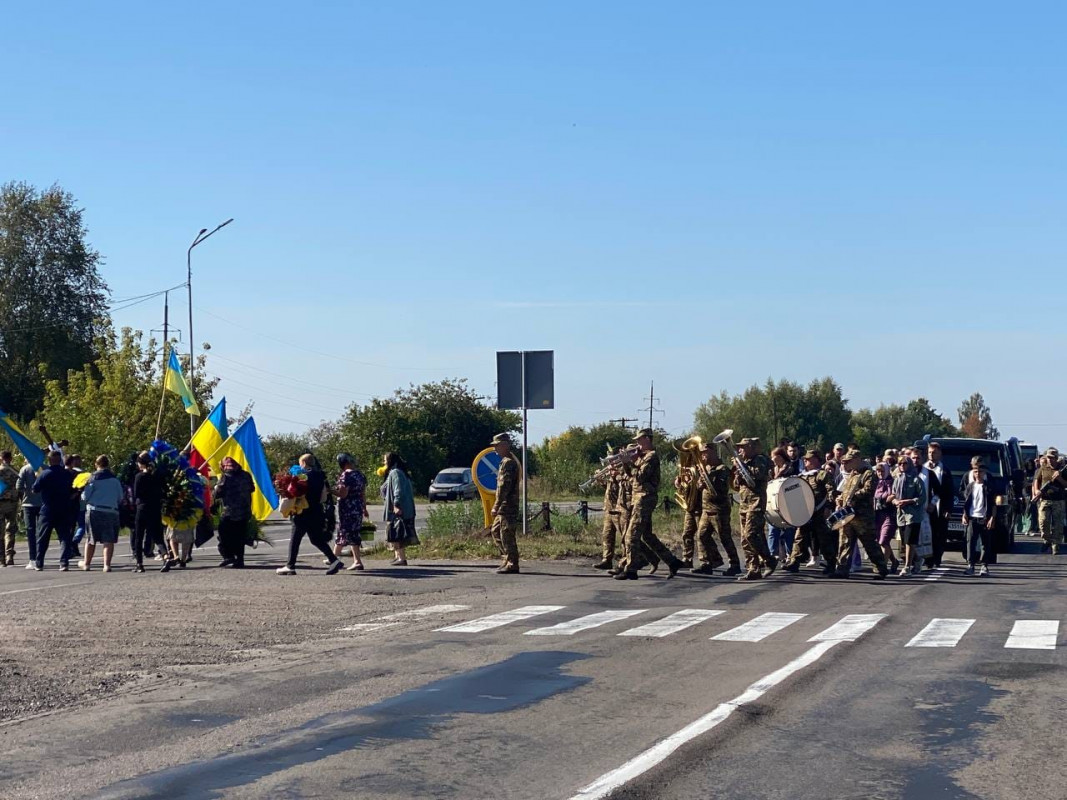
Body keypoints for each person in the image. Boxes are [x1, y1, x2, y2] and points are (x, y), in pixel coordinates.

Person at [615, 429, 683, 581]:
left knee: (631, 536)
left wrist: (629, 462)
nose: (637, 443)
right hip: (638, 498)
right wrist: (627, 463)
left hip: (645, 498)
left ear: (647, 439)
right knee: (647, 536)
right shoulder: (643, 456)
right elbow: (631, 476)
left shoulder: (651, 457)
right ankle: (672, 562)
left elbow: (640, 476)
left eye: (639, 439)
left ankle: (631, 570)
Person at [278, 454, 344, 575]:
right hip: (317, 510)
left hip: (302, 511)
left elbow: (294, 493)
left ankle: (290, 566)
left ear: (303, 462)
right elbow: (324, 496)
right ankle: (334, 560)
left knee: (295, 539)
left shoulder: (301, 477)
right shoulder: (320, 476)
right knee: (316, 539)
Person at [834, 448, 889, 580]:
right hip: (848, 515)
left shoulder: (868, 474)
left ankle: (880, 568)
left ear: (857, 460)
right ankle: (842, 569)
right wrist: (840, 499)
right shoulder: (853, 474)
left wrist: (853, 497)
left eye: (849, 461)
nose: (846, 464)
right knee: (845, 543)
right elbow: (846, 491)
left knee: (869, 543)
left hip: (863, 516)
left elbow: (869, 490)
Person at [784, 449, 838, 575]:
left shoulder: (822, 475)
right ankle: (794, 562)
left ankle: (831, 563)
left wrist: (828, 507)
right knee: (800, 537)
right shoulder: (803, 476)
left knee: (824, 539)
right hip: (805, 513)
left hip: (819, 513)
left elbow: (831, 491)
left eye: (808, 459)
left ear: (815, 460)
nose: (805, 461)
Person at [734, 437, 776, 581]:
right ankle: (753, 569)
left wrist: (742, 467)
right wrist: (737, 474)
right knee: (745, 539)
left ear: (751, 447)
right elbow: (736, 485)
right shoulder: (744, 463)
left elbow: (757, 476)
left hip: (756, 503)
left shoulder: (760, 460)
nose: (740, 450)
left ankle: (769, 560)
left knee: (751, 534)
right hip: (744, 503)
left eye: (743, 448)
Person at [691, 442, 731, 576]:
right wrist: (699, 483)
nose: (703, 456)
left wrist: (707, 479)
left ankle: (735, 563)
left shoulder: (722, 468)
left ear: (713, 452)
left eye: (705, 452)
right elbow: (699, 487)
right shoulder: (705, 468)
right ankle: (706, 563)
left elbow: (721, 489)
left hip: (719, 508)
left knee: (724, 537)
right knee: (701, 536)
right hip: (706, 509)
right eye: (701, 453)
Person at [32, 450, 76, 571]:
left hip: (48, 509)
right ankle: (64, 562)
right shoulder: (67, 474)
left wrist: (37, 477)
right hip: (64, 508)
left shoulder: (45, 474)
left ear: (50, 460)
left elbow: (35, 489)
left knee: (43, 537)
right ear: (59, 460)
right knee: (64, 537)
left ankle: (39, 562)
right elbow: (74, 490)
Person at [79, 455, 122, 572]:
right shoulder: (115, 479)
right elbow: (120, 497)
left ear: (96, 464)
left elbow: (85, 497)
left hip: (94, 510)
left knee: (91, 539)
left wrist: (81, 492)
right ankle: (107, 565)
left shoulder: (92, 478)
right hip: (111, 511)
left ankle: (87, 564)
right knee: (109, 540)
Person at [889, 455, 927, 576]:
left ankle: (907, 567)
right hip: (901, 514)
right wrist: (896, 501)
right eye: (900, 464)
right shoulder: (897, 479)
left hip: (913, 514)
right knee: (905, 541)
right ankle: (917, 559)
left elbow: (922, 498)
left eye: (904, 464)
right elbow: (893, 495)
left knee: (910, 541)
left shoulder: (916, 479)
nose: (902, 466)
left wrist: (909, 501)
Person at [214, 457, 254, 569]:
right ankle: (240, 560)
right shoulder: (246, 475)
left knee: (223, 536)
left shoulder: (225, 477)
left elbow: (217, 494)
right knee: (240, 538)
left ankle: (228, 556)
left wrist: (216, 487)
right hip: (245, 511)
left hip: (229, 513)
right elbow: (252, 488)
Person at [488, 435, 520, 573]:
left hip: (508, 505)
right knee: (496, 531)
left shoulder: (509, 463)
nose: (495, 448)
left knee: (506, 534)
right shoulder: (505, 462)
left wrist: (496, 504)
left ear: (505, 445)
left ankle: (512, 563)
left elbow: (504, 487)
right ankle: (506, 558)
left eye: (497, 445)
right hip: (504, 505)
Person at [961, 456, 996, 576]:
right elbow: (966, 501)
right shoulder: (970, 486)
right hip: (972, 517)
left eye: (980, 471)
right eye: (975, 471)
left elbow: (993, 503)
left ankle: (984, 565)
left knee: (985, 543)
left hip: (984, 517)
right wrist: (965, 514)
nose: (978, 473)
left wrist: (992, 518)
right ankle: (970, 565)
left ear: (984, 472)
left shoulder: (988, 486)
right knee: (970, 541)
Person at [334, 453, 369, 571]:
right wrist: (364, 508)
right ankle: (333, 557)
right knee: (345, 531)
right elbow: (363, 493)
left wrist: (330, 491)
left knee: (349, 532)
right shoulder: (359, 475)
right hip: (357, 507)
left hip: (347, 508)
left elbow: (343, 494)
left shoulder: (346, 476)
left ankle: (357, 561)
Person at [924, 442, 954, 568]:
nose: (932, 455)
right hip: (925, 508)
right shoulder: (923, 468)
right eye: (930, 452)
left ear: (940, 454)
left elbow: (948, 492)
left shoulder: (945, 471)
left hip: (940, 507)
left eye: (934, 452)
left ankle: (937, 558)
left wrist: (948, 509)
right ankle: (928, 559)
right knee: (927, 533)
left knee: (940, 534)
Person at [131, 452, 163, 573]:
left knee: (139, 536)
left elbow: (136, 493)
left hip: (143, 508)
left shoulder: (139, 477)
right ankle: (165, 555)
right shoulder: (156, 476)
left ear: (141, 463)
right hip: (155, 507)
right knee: (157, 535)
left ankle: (139, 563)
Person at [1033, 447, 1066, 555]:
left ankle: (1055, 544)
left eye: (1052, 458)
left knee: (1058, 524)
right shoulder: (1043, 468)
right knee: (1043, 522)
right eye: (1048, 457)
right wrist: (1037, 490)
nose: (1050, 460)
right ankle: (1046, 540)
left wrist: (1060, 478)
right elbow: (1037, 480)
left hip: (1058, 500)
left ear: (1056, 458)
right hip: (1045, 499)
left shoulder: (1063, 469)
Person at [766, 446, 796, 561]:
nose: (772, 459)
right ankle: (772, 554)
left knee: (789, 529)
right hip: (773, 503)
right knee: (773, 528)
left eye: (773, 456)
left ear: (779, 457)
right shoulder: (771, 470)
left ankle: (790, 554)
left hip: (787, 502)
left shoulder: (790, 468)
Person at [674, 450, 702, 568]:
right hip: (690, 505)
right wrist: (679, 483)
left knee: (702, 535)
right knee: (687, 533)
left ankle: (708, 560)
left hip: (700, 504)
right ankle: (687, 558)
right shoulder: (686, 469)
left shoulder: (702, 466)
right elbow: (682, 487)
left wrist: (694, 482)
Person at [593, 458, 622, 570]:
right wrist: (601, 481)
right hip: (609, 508)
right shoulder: (612, 472)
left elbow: (624, 487)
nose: (609, 463)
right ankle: (607, 560)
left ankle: (641, 557)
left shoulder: (624, 469)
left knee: (626, 538)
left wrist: (616, 475)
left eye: (611, 459)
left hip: (619, 509)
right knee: (607, 535)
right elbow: (610, 489)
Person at [873, 460, 900, 572]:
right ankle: (894, 561)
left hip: (890, 515)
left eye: (882, 471)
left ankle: (882, 567)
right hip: (878, 515)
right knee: (882, 541)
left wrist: (891, 497)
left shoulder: (892, 482)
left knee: (883, 541)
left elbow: (894, 494)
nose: (880, 473)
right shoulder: (876, 483)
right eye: (878, 471)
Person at [17, 459, 41, 569]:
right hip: (42, 503)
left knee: (30, 531)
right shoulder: (45, 468)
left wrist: (26, 494)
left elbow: (19, 487)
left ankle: (33, 559)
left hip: (28, 504)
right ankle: (40, 557)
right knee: (41, 531)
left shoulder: (25, 469)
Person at [0, 451, 20, 566]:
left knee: (1, 532)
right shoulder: (16, 472)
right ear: (10, 458)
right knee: (10, 530)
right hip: (12, 503)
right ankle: (9, 556)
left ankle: (2, 559)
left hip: (1, 504)